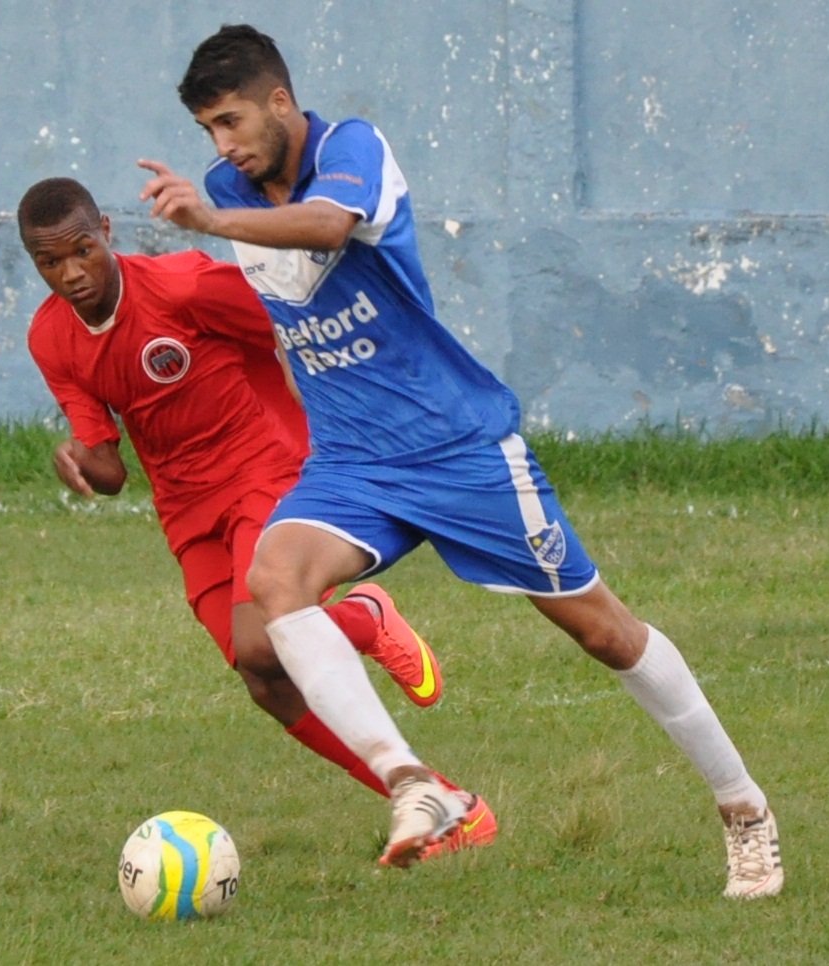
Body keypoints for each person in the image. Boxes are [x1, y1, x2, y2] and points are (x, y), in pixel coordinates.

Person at [137, 23, 783, 894]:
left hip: (455, 447)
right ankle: (413, 785)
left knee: (603, 631)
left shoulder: (351, 149)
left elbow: (329, 223)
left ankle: (743, 808)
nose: (223, 147)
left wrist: (213, 219)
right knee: (276, 577)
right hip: (354, 462)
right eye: (209, 132)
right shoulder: (230, 183)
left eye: (231, 121)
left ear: (280, 101)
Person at [17, 176, 497, 862]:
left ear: (107, 233)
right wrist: (80, 467)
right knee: (266, 684)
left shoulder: (183, 288)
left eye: (82, 251)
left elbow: (293, 320)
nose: (71, 274)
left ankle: (362, 616)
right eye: (49, 263)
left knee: (260, 645)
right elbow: (111, 469)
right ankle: (449, 805)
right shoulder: (52, 338)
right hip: (186, 509)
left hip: (262, 468)